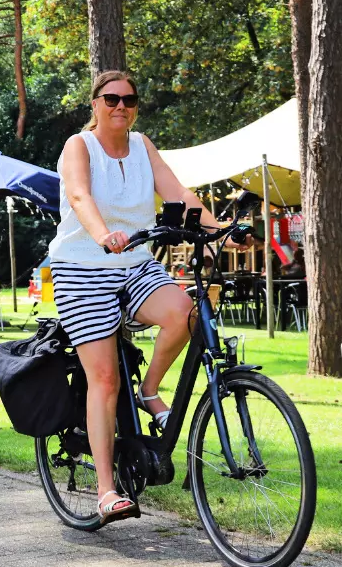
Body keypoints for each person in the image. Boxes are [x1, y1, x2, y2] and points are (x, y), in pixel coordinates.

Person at [51, 69, 241, 525]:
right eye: (112, 99)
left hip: (135, 263)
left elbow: (177, 193)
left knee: (184, 312)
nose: (121, 107)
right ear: (95, 104)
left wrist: (220, 229)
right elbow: (78, 195)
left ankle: (149, 391)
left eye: (130, 100)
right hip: (82, 267)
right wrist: (103, 234)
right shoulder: (80, 145)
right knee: (104, 379)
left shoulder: (142, 145)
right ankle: (105, 490)